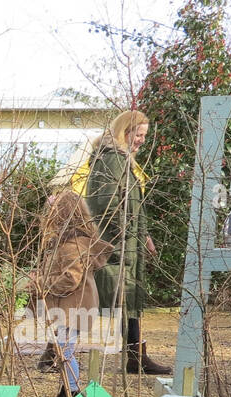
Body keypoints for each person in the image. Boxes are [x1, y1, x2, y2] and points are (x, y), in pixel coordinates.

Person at [84, 109, 170, 375]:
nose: (142, 140)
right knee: (95, 302)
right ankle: (56, 355)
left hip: (126, 244)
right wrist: (125, 234)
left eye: (145, 135)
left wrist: (143, 235)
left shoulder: (123, 161)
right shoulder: (112, 160)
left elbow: (131, 205)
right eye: (139, 134)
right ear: (125, 131)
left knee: (126, 301)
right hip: (115, 247)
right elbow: (106, 204)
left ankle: (136, 357)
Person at [34, 189, 114, 397]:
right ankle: (66, 391)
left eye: (51, 212)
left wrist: (40, 282)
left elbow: (70, 279)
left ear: (61, 214)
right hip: (70, 307)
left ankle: (73, 392)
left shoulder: (73, 245)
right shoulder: (68, 242)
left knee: (65, 350)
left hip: (74, 307)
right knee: (62, 349)